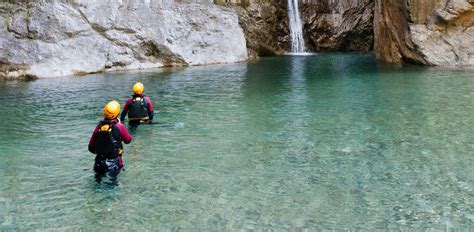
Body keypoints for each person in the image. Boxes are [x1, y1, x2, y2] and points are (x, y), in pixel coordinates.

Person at [88, 101, 132, 180]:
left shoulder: (99, 127)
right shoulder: (119, 126)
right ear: (117, 113)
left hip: (99, 162)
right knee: (112, 186)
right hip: (113, 163)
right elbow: (128, 140)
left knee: (97, 185)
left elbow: (90, 147)